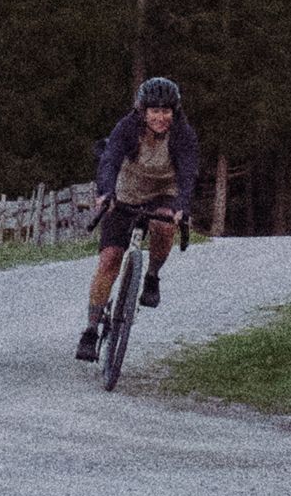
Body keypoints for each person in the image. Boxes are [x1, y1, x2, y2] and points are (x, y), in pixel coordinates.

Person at [80, 74, 202, 364]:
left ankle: (152, 275)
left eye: (166, 111)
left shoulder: (183, 135)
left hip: (164, 192)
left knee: (164, 224)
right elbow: (109, 159)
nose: (160, 117)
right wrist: (106, 192)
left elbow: (188, 173)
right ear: (143, 111)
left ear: (175, 111)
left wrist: (182, 206)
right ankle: (91, 329)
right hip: (126, 192)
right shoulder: (126, 128)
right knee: (109, 259)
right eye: (155, 111)